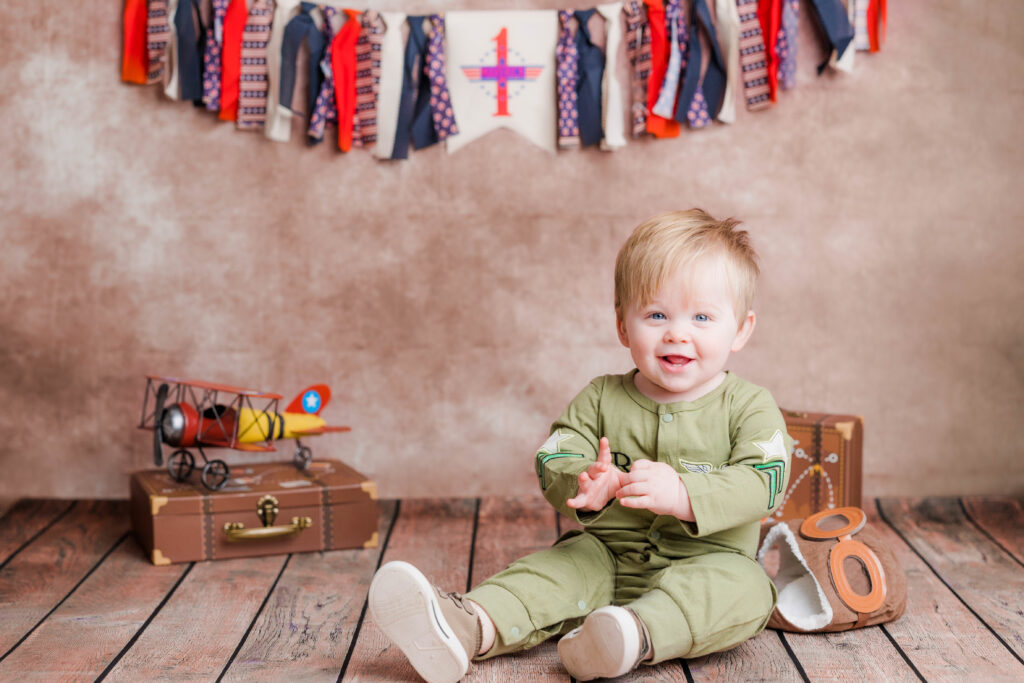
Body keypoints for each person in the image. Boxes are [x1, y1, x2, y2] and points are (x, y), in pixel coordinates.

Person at [368, 209, 793, 682]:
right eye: (656, 314)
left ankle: (629, 636)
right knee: (555, 569)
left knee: (747, 588)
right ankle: (467, 627)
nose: (678, 332)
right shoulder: (600, 396)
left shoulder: (750, 406)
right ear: (622, 326)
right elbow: (555, 452)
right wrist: (584, 478)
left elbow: (765, 481)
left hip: (709, 561)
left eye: (701, 317)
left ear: (740, 329)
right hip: (606, 555)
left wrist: (684, 495)